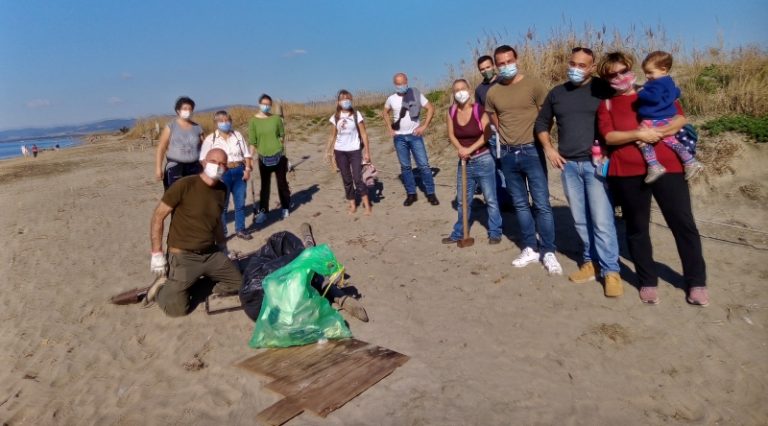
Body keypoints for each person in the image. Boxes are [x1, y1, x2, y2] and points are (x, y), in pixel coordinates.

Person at [596, 51, 709, 306]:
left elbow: (680, 117)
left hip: (668, 166)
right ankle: (647, 280)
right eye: (612, 74)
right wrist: (638, 133)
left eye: (623, 70)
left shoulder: (654, 89)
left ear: (631, 68)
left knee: (683, 223)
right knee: (637, 228)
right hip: (627, 171)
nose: (619, 77)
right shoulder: (606, 105)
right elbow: (609, 137)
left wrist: (656, 132)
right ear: (606, 78)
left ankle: (696, 282)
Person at [535, 47, 623, 296]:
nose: (575, 68)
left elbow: (622, 113)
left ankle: (611, 271)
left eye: (582, 65)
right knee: (581, 219)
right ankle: (590, 262)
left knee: (602, 219)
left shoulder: (603, 89)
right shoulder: (557, 93)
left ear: (593, 67)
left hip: (596, 164)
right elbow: (542, 123)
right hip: (569, 166)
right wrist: (549, 149)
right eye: (572, 63)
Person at [485, 45, 563, 275]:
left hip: (532, 150)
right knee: (520, 203)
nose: (506, 65)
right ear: (496, 65)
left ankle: (548, 250)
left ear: (516, 59)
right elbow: (495, 119)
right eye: (501, 63)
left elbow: (546, 116)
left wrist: (543, 141)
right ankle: (530, 247)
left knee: (541, 203)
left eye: (509, 60)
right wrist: (507, 139)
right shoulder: (493, 92)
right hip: (508, 153)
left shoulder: (534, 85)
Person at [147, 148, 243, 317]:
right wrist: (157, 253)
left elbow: (217, 221)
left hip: (210, 253)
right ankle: (162, 288)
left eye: (222, 164)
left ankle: (188, 285)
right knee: (177, 310)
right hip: (184, 255)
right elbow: (158, 216)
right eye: (214, 161)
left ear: (226, 168)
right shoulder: (184, 185)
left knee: (238, 283)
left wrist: (223, 246)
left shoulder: (222, 189)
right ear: (204, 162)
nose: (218, 166)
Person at [442, 79, 502, 245]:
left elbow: (488, 134)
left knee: (490, 198)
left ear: (468, 90)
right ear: (453, 94)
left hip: (483, 159)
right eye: (456, 90)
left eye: (463, 88)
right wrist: (461, 149)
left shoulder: (478, 110)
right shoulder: (451, 112)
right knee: (463, 201)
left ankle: (495, 232)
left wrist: (470, 149)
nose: (460, 92)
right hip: (464, 162)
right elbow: (451, 134)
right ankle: (459, 233)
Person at [636, 51, 704, 183]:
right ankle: (690, 161)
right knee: (672, 141)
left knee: (642, 138)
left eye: (650, 72)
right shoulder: (669, 81)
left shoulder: (657, 83)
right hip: (666, 117)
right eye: (646, 72)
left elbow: (654, 97)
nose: (647, 76)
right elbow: (677, 92)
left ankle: (654, 165)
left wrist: (641, 92)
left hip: (654, 118)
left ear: (663, 69)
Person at [382, 72, 440, 206]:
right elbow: (385, 112)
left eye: (402, 83)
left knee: (424, 165)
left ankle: (431, 193)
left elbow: (430, 108)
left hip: (415, 136)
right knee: (406, 167)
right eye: (398, 84)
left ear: (406, 81)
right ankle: (411, 194)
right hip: (399, 138)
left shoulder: (415, 94)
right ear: (394, 84)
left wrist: (424, 126)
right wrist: (390, 129)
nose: (401, 86)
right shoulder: (391, 98)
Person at [199, 110, 254, 240]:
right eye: (221, 120)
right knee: (222, 206)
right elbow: (203, 159)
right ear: (216, 123)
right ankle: (222, 233)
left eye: (227, 120)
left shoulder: (237, 135)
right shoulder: (210, 139)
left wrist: (247, 169)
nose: (225, 123)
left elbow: (246, 154)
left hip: (239, 171)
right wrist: (212, 174)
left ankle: (240, 229)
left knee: (240, 203)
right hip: (222, 173)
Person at [476, 55, 514, 211]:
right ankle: (503, 201)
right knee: (496, 169)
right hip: (491, 135)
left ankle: (516, 200)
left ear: (493, 66)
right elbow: (480, 113)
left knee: (510, 168)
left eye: (487, 67)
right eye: (482, 69)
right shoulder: (480, 90)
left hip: (508, 132)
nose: (486, 71)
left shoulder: (504, 81)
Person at [326, 90, 373, 215]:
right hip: (340, 151)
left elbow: (364, 134)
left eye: (348, 98)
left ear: (351, 100)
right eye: (343, 99)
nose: (345, 101)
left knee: (358, 178)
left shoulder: (356, 115)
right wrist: (329, 151)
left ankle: (367, 204)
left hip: (355, 150)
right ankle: (352, 204)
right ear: (338, 102)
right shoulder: (335, 117)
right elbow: (333, 136)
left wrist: (367, 152)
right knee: (346, 179)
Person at [249, 94, 291, 224]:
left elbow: (281, 136)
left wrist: (282, 151)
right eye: (264, 104)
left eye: (268, 104)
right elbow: (252, 142)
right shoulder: (253, 121)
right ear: (259, 103)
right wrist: (249, 159)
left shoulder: (276, 119)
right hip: (263, 158)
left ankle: (285, 207)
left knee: (282, 184)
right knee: (265, 187)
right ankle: (263, 211)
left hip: (278, 156)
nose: (266, 106)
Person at [155, 97, 204, 190]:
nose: (188, 111)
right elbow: (161, 147)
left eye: (190, 109)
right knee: (175, 195)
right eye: (185, 109)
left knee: (194, 194)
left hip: (195, 167)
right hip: (175, 167)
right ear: (178, 110)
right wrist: (158, 168)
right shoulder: (171, 126)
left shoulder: (197, 127)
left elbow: (204, 146)